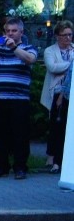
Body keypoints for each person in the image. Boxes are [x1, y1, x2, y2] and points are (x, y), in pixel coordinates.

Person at [0, 17, 38, 180]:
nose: (10, 34)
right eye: (7, 31)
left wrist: (14, 48)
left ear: (21, 32)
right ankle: (0, 167)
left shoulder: (28, 47)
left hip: (20, 99)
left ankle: (20, 167)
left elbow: (30, 59)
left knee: (20, 134)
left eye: (14, 31)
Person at [43, 20, 73, 173]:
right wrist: (72, 65)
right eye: (64, 35)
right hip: (56, 90)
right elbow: (52, 67)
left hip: (70, 91)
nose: (68, 38)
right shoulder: (50, 50)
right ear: (57, 36)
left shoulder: (73, 49)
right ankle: (53, 158)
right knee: (56, 125)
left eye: (70, 34)